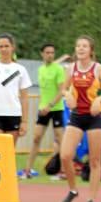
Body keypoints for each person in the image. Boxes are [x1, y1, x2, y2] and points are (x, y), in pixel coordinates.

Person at [59, 36, 101, 202]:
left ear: (91, 50)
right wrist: (67, 95)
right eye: (78, 46)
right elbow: (63, 88)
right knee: (65, 155)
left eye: (84, 46)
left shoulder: (98, 68)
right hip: (76, 116)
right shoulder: (71, 68)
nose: (81, 48)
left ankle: (91, 199)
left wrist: (99, 100)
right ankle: (73, 189)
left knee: (95, 160)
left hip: (94, 117)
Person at [23, 43, 66, 179]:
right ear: (42, 54)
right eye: (47, 52)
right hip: (43, 110)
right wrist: (43, 107)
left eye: (52, 52)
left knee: (61, 140)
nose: (50, 55)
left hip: (56, 108)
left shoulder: (58, 69)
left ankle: (63, 172)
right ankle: (28, 171)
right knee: (36, 138)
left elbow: (61, 91)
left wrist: (50, 105)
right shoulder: (41, 69)